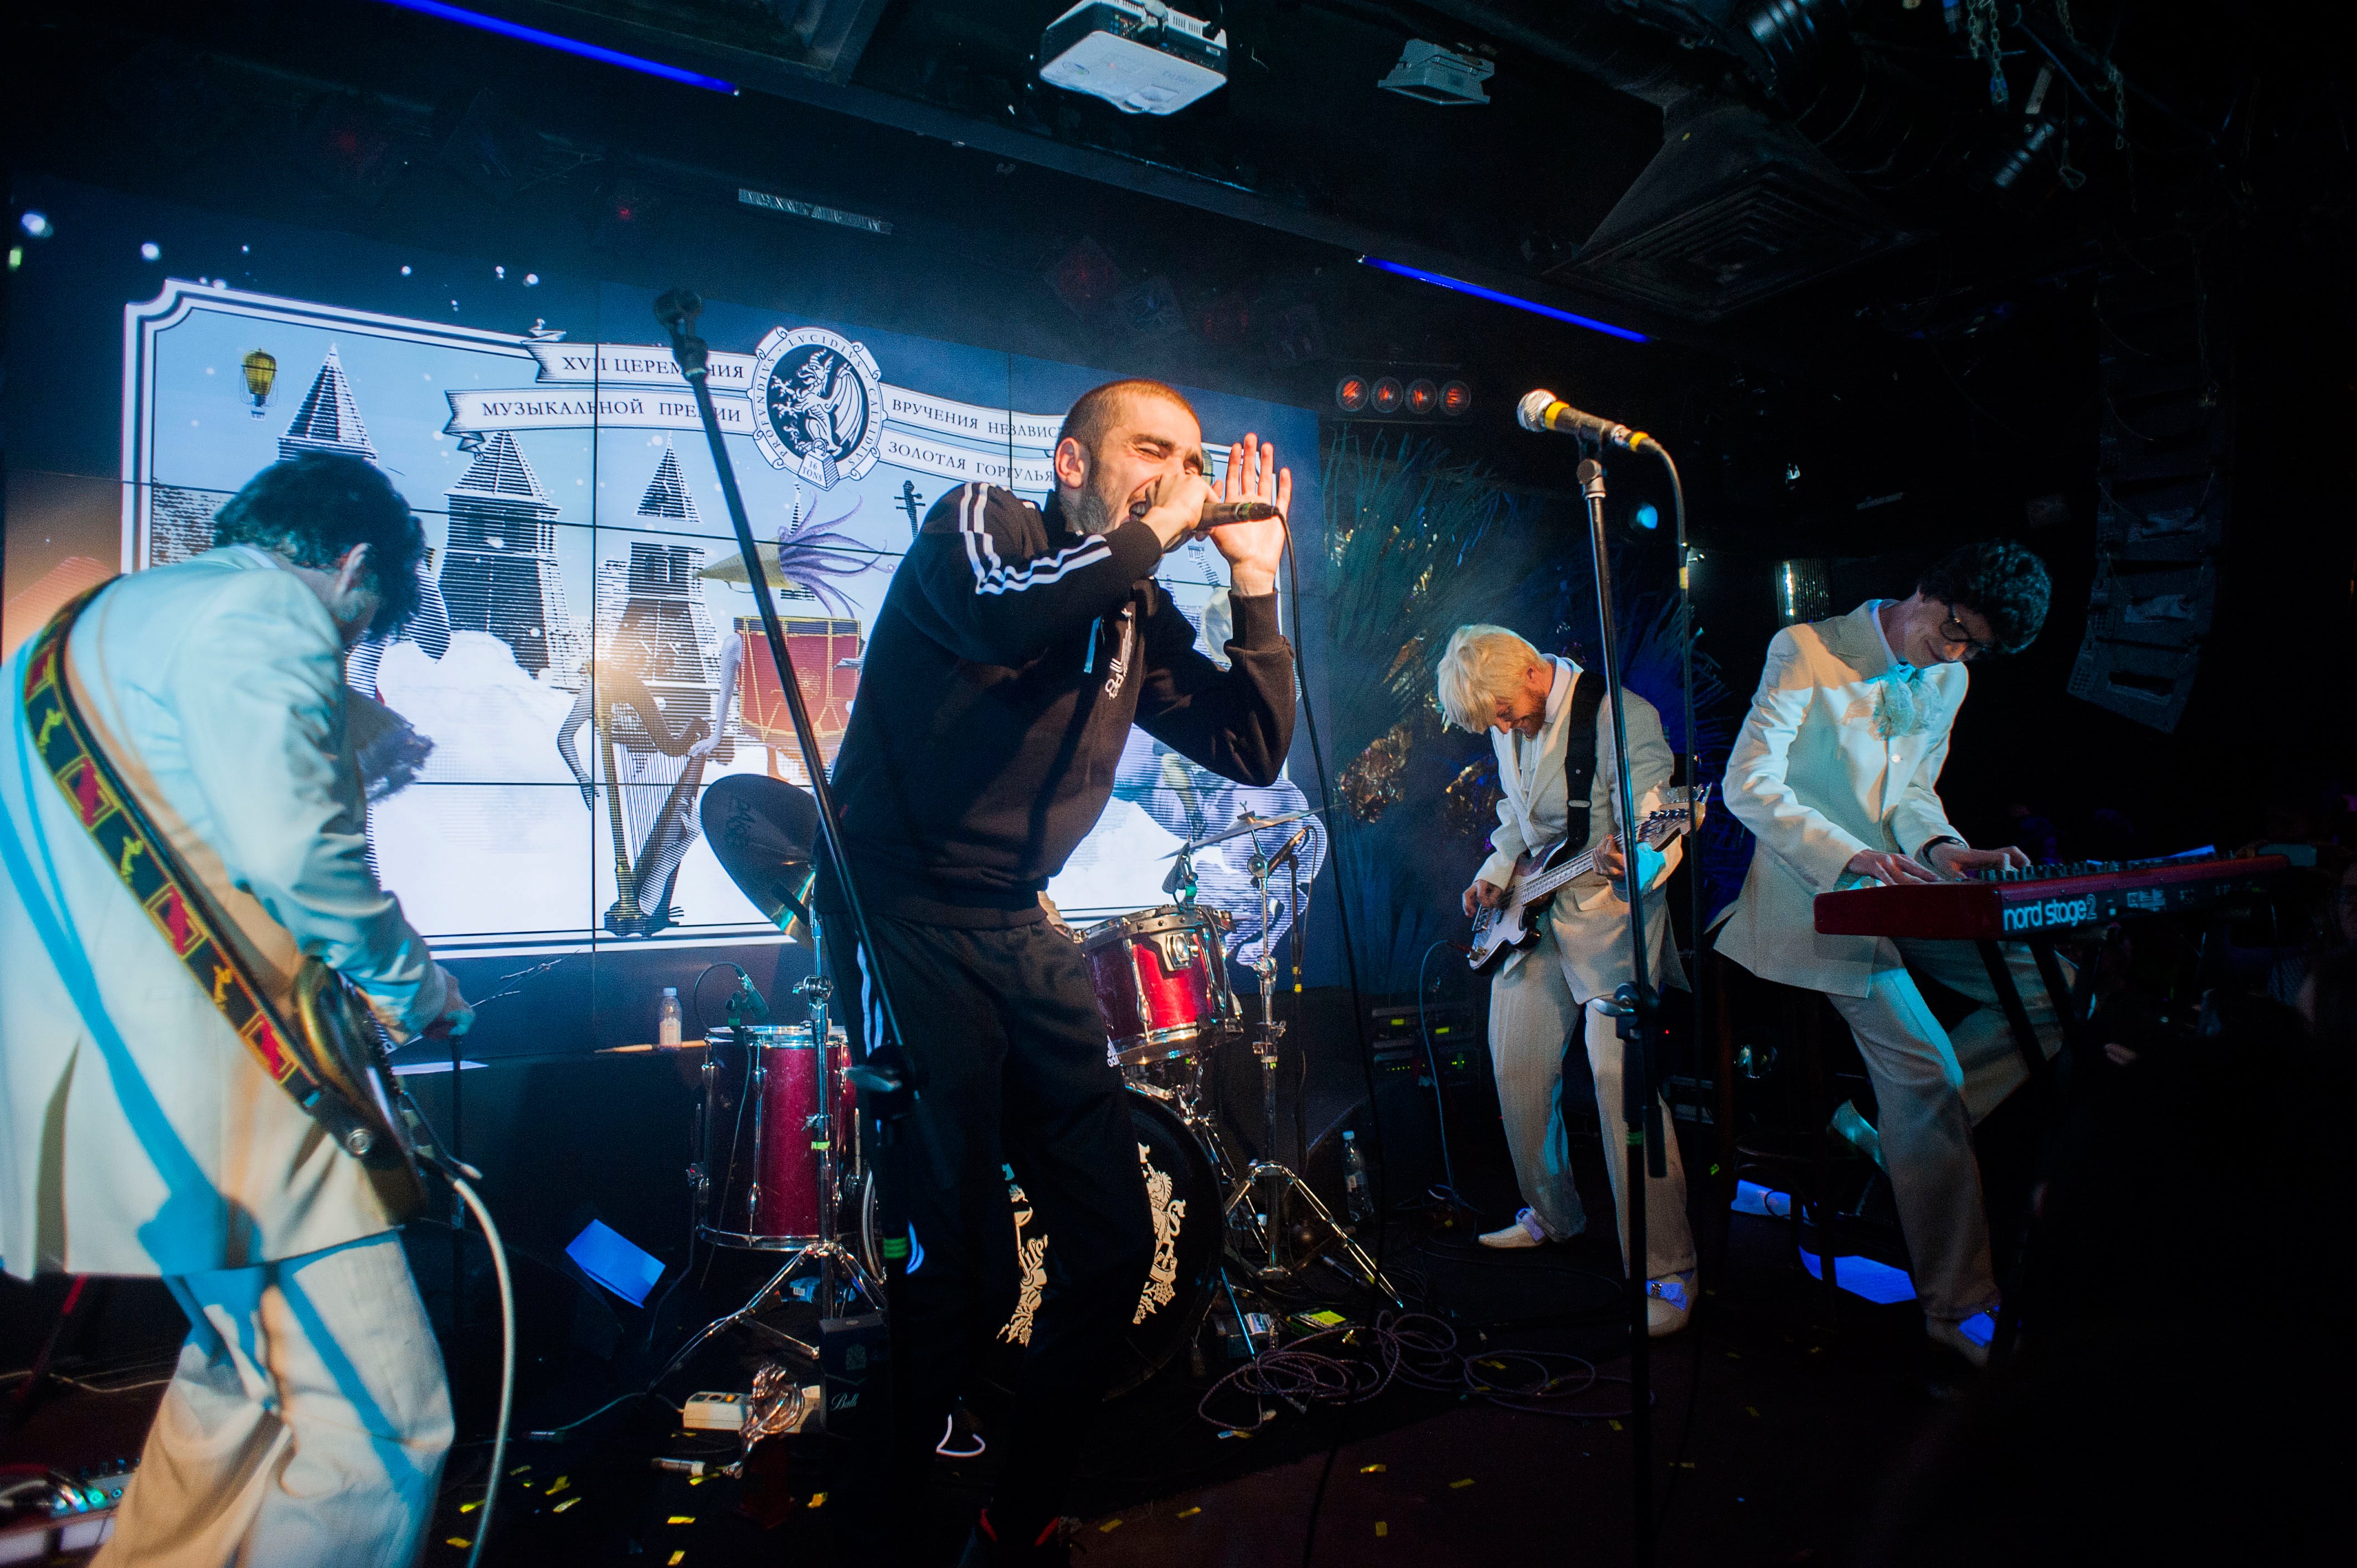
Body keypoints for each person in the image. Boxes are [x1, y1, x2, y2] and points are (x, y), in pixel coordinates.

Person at [821, 379, 1294, 1564]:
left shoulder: (1133, 605)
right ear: (1073, 461)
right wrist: (1159, 531)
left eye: (1192, 460)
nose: (1178, 475)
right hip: (901, 911)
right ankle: (888, 1519)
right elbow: (1002, 619)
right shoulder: (984, 522)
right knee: (961, 1269)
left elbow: (1249, 744)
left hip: (1021, 928)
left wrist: (1252, 582)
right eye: (1152, 449)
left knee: (1115, 1242)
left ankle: (1017, 1514)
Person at [0, 453, 474, 1566]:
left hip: (119, 1092)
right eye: (363, 621)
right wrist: (416, 986)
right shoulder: (266, 610)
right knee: (383, 1427)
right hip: (234, 1094)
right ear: (353, 563)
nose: (349, 643)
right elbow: (295, 855)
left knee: (245, 1381)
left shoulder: (79, 630)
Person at [1714, 539, 2054, 1368]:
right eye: (1953, 631)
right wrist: (1849, 855)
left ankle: (1891, 1134)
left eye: (1974, 648)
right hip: (1816, 897)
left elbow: (1913, 795)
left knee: (2056, 990)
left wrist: (1945, 849)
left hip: (1905, 887)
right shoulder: (1806, 650)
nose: (1955, 654)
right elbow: (1746, 784)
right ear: (1927, 591)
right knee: (1928, 1072)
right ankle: (1956, 1308)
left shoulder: (1947, 680)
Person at [1438, 626, 1697, 1334]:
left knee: (1621, 1084)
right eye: (1491, 723)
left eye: (1502, 713)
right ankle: (1553, 1215)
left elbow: (1660, 824)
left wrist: (1637, 862)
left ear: (1530, 672)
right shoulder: (1510, 717)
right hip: (1537, 912)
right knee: (1515, 1068)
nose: (1501, 728)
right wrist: (1496, 875)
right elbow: (1517, 818)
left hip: (1612, 914)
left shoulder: (1621, 717)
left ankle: (1667, 1269)